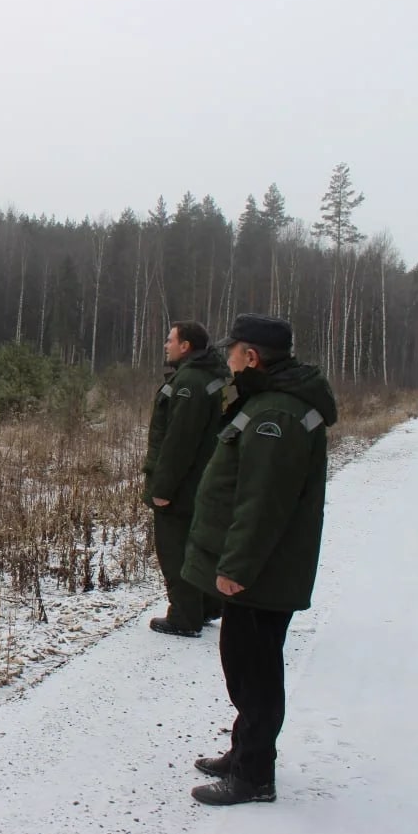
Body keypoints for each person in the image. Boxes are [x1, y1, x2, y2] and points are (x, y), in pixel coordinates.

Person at [181, 314, 337, 806]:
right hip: (262, 571)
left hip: (261, 575)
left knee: (255, 674)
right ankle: (244, 752)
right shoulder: (270, 403)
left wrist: (236, 569)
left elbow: (262, 502)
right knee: (247, 666)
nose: (227, 360)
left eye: (233, 352)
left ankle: (253, 777)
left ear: (251, 356)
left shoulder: (278, 416)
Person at [142, 320, 230, 637]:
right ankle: (206, 606)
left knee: (175, 550)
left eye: (170, 340)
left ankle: (185, 615)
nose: (166, 344)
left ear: (186, 346)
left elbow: (179, 442)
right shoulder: (210, 376)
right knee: (200, 545)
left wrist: (163, 488)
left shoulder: (189, 382)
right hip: (203, 481)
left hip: (183, 487)